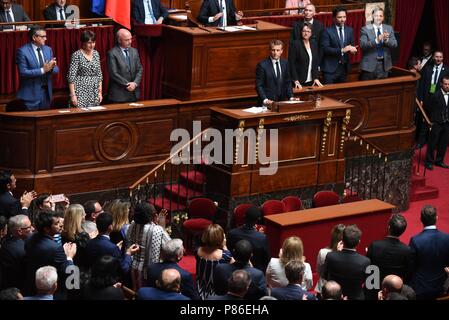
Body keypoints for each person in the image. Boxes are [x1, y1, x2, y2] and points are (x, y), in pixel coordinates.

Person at [24, 210, 76, 295]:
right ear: (47, 229)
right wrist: (69, 257)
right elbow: (68, 271)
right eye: (56, 223)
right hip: (52, 289)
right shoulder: (55, 248)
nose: (61, 225)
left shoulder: (29, 238)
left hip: (33, 285)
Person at [126, 202, 171, 291]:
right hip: (151, 272)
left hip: (133, 269)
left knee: (138, 294)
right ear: (153, 216)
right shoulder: (156, 229)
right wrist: (161, 225)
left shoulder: (132, 225)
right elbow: (171, 247)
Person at [409, 205, 449, 299]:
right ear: (436, 218)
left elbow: (411, 265)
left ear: (421, 219)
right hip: (442, 286)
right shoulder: (447, 238)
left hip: (420, 288)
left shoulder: (415, 240)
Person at [16, 25, 59, 111]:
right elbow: (23, 72)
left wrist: (51, 67)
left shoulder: (48, 49)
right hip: (30, 96)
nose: (45, 39)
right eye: (43, 36)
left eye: (45, 36)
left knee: (45, 123)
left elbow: (56, 69)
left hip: (46, 95)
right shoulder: (22, 51)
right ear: (34, 37)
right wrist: (43, 70)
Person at [322, 224, 371, 300]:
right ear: (359, 242)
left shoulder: (331, 256)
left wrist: (337, 253)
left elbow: (325, 276)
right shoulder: (365, 261)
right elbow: (370, 285)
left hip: (335, 297)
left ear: (342, 240)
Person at [417, 51, 449, 148]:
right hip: (427, 99)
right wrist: (421, 99)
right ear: (433, 58)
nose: (438, 59)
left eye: (440, 57)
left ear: (443, 58)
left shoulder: (447, 70)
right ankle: (421, 142)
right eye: (436, 57)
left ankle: (436, 144)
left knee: (437, 122)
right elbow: (421, 85)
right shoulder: (427, 68)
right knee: (424, 121)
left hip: (440, 100)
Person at [227, 206, 270, 273]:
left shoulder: (231, 233)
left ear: (244, 216)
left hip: (234, 268)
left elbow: (229, 251)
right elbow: (266, 260)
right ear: (258, 219)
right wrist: (258, 234)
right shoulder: (262, 238)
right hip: (256, 270)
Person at [196, 223, 233, 300]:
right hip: (216, 292)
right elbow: (235, 264)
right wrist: (225, 246)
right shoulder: (225, 255)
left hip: (199, 289)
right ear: (221, 238)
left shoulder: (197, 251)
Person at [320, 7, 357, 84]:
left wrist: (353, 50)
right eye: (339, 17)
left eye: (344, 17)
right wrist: (342, 50)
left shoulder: (349, 30)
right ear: (334, 18)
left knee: (341, 94)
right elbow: (325, 49)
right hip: (330, 69)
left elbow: (351, 46)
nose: (342, 20)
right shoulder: (327, 31)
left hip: (344, 68)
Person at [359, 7, 397, 80]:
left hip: (384, 65)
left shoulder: (389, 28)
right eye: (376, 16)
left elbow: (395, 44)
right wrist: (377, 40)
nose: (378, 18)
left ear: (383, 17)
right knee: (367, 89)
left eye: (380, 16)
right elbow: (363, 45)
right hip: (369, 66)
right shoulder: (365, 29)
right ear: (373, 16)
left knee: (383, 90)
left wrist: (386, 40)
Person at [68, 30, 103, 108]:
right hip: (80, 90)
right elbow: (71, 77)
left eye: (93, 42)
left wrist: (100, 92)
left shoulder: (96, 54)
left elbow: (99, 75)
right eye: (89, 43)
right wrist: (73, 95)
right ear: (83, 43)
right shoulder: (77, 55)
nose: (92, 45)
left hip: (94, 90)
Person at [107, 29, 143, 104]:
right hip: (119, 95)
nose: (130, 42)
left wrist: (135, 83)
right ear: (119, 40)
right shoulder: (112, 53)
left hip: (133, 93)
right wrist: (128, 85)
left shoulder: (134, 51)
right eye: (126, 40)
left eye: (131, 39)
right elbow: (113, 73)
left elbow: (139, 69)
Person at [256, 40, 294, 107]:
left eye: (278, 50)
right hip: (268, 103)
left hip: (282, 101)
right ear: (270, 51)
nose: (275, 53)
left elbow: (288, 82)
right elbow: (259, 85)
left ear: (281, 51)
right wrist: (265, 99)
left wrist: (291, 97)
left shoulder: (285, 63)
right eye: (273, 50)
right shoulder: (262, 65)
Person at [0, 215, 34, 291]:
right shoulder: (24, 250)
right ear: (20, 231)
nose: (33, 228)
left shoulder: (5, 241)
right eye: (29, 227)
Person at [289, 23, 323, 90]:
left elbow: (315, 62)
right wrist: (295, 79)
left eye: (308, 31)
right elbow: (291, 64)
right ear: (301, 32)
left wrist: (315, 77)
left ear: (311, 33)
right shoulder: (295, 44)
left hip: (311, 81)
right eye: (304, 31)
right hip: (298, 81)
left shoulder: (314, 44)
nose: (306, 33)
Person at [425, 76, 449, 170]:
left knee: (444, 143)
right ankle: (429, 162)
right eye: (445, 84)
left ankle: (439, 161)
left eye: (448, 84)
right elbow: (428, 107)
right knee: (432, 143)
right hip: (436, 122)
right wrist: (433, 120)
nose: (447, 86)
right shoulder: (436, 95)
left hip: (447, 123)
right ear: (441, 84)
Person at [315, 223, 345, 295]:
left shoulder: (322, 252)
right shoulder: (348, 255)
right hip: (340, 290)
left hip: (324, 288)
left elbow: (319, 272)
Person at [61, 204, 90, 270]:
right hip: (82, 271)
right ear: (78, 217)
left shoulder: (63, 234)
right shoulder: (83, 236)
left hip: (69, 269)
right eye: (83, 213)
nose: (85, 214)